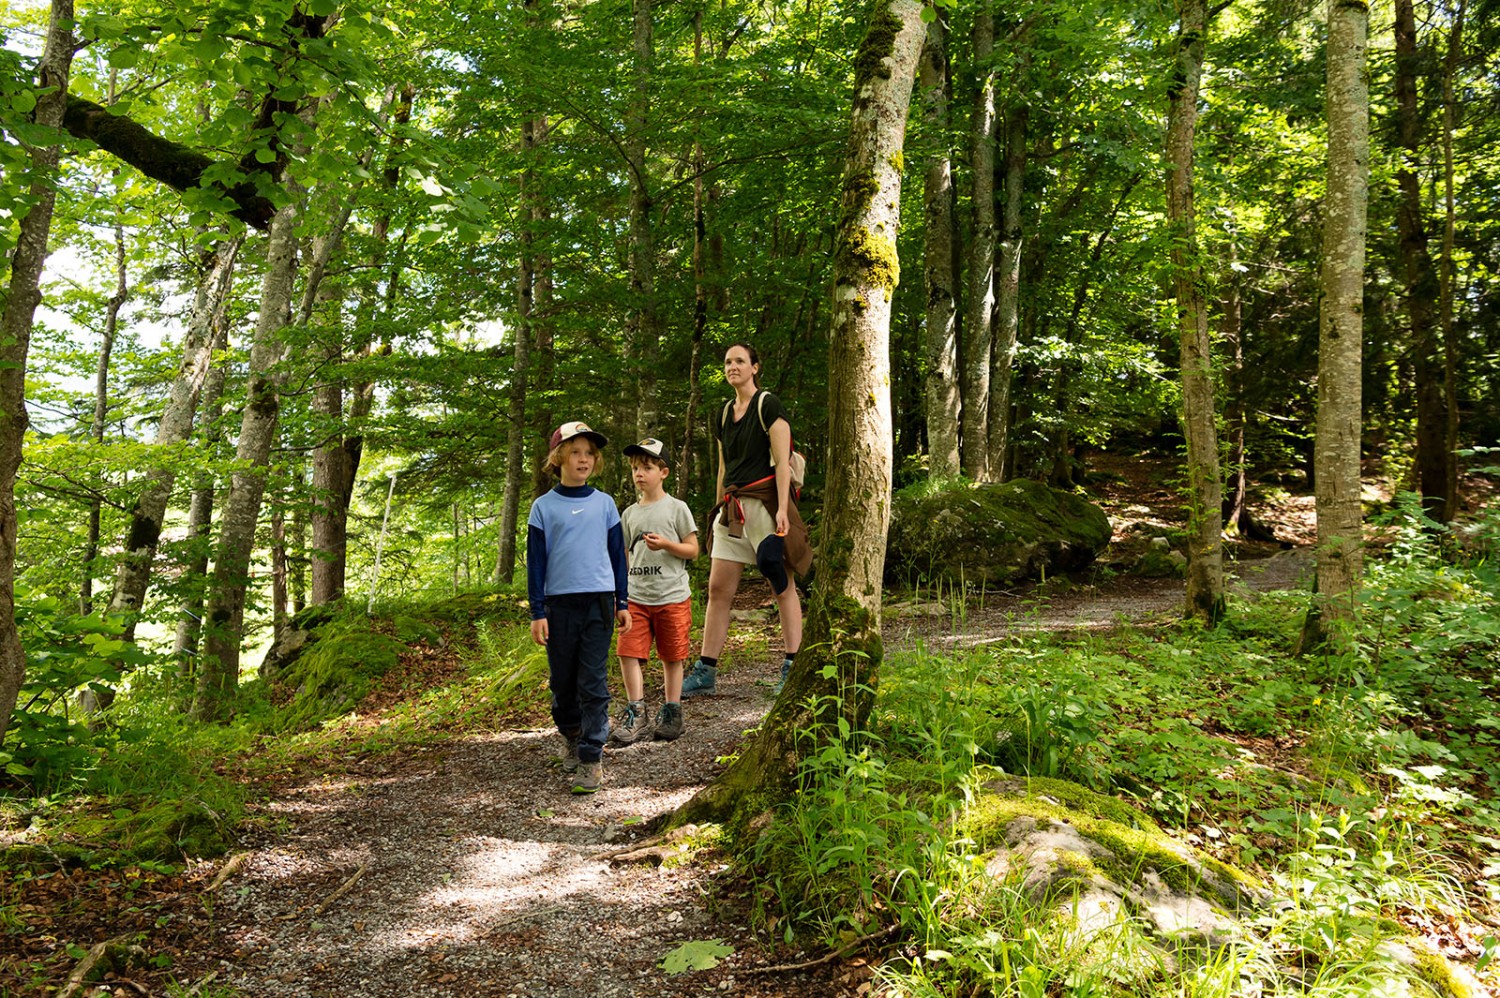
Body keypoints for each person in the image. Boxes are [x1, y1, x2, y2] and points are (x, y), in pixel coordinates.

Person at [681, 343, 812, 699]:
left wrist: (783, 509)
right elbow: (725, 465)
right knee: (718, 589)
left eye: (739, 361)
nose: (732, 366)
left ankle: (792, 665)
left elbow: (783, 462)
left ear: (755, 367)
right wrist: (719, 505)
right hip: (733, 508)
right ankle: (706, 671)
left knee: (779, 583)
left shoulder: (768, 405)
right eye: (727, 362)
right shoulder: (725, 412)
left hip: (766, 505)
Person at [527, 420, 632, 794]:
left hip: (599, 602)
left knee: (593, 680)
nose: (583, 459)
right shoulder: (543, 507)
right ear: (559, 458)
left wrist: (623, 600)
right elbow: (536, 562)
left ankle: (591, 756)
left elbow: (618, 555)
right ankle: (571, 732)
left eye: (590, 453)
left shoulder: (605, 504)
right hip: (558, 605)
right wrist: (537, 611)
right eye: (575, 451)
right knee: (563, 682)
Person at [611, 437, 700, 744]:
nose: (639, 473)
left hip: (672, 596)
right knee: (627, 651)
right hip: (635, 596)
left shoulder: (677, 509)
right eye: (636, 468)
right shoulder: (629, 514)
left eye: (647, 467)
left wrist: (666, 545)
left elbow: (693, 550)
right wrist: (618, 594)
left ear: (663, 472)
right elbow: (622, 555)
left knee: (672, 655)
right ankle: (636, 710)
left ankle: (672, 710)